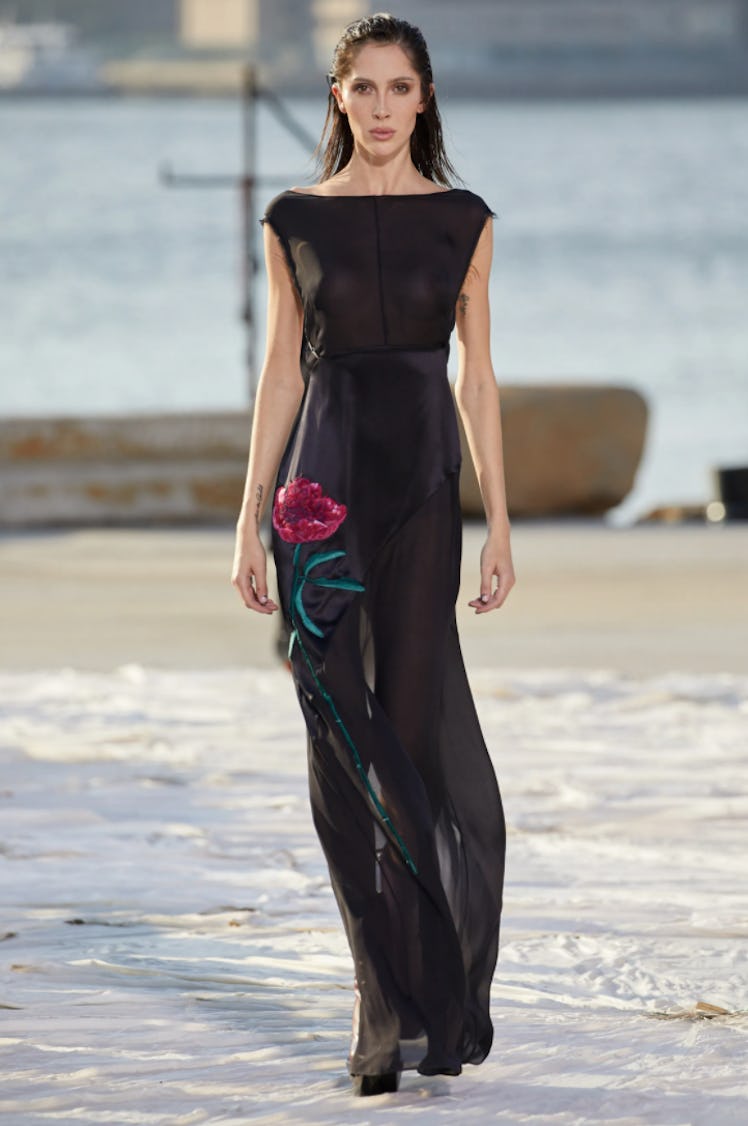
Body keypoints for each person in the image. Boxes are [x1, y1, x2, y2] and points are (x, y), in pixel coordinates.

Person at [232, 12, 515, 1098]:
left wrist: (499, 522)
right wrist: (248, 512)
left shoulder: (465, 221)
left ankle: (425, 989)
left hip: (423, 498)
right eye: (367, 88)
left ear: (424, 99)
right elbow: (281, 374)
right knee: (336, 727)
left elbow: (477, 379)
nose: (385, 106)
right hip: (316, 500)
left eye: (403, 88)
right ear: (339, 98)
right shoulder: (294, 218)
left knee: (404, 732)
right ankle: (376, 1001)